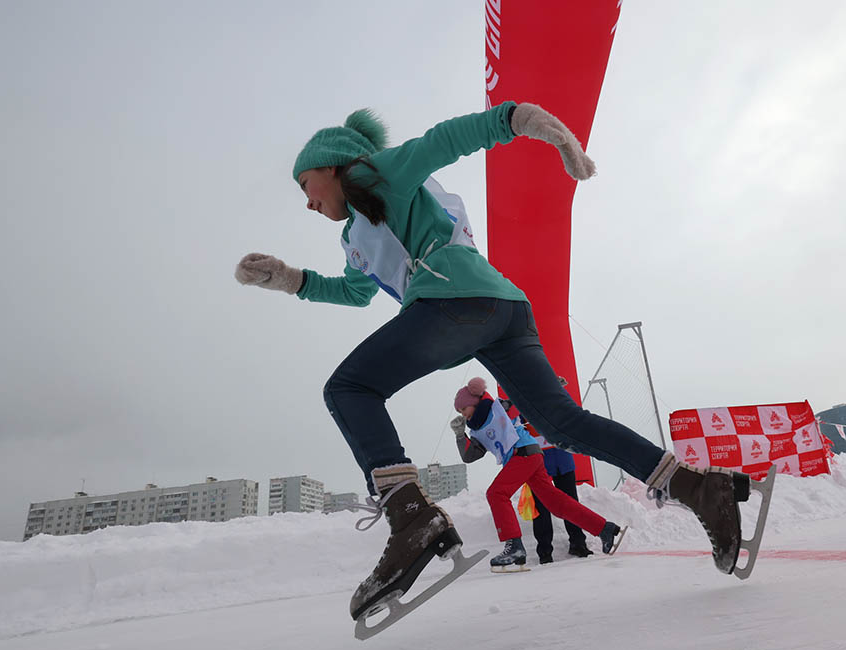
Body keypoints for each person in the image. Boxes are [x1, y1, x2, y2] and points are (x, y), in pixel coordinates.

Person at [234, 102, 755, 623]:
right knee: (563, 424)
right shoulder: (354, 237)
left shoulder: (382, 172)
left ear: (332, 166)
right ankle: (695, 486)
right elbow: (352, 292)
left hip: (456, 303)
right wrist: (289, 278)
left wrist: (525, 122)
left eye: (306, 184)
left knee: (349, 389)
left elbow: (446, 139)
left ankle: (412, 516)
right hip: (500, 311)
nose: (307, 201)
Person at [450, 377, 622, 571]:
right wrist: (459, 434)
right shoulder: (476, 432)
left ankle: (514, 547)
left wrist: (551, 384)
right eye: (460, 413)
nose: (463, 416)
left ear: (473, 403)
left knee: (496, 493)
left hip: (524, 453)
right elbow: (470, 456)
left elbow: (527, 400)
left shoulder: (499, 408)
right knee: (556, 504)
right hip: (529, 457)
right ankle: (604, 529)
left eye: (463, 410)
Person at [520, 376, 594, 563]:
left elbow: (568, 410)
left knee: (570, 502)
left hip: (562, 456)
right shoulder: (522, 399)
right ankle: (544, 551)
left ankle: (578, 543)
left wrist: (561, 391)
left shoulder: (554, 396)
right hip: (538, 461)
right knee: (541, 508)